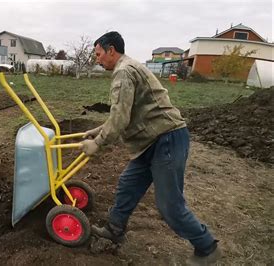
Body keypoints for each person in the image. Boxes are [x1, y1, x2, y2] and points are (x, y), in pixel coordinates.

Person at [79, 31, 221, 265]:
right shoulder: (127, 68)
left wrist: (97, 143)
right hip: (151, 142)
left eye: (98, 54)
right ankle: (114, 230)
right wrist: (98, 130)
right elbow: (122, 113)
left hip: (166, 139)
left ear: (111, 50)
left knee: (170, 206)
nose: (97, 59)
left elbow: (121, 118)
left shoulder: (124, 72)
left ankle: (207, 247)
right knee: (127, 184)